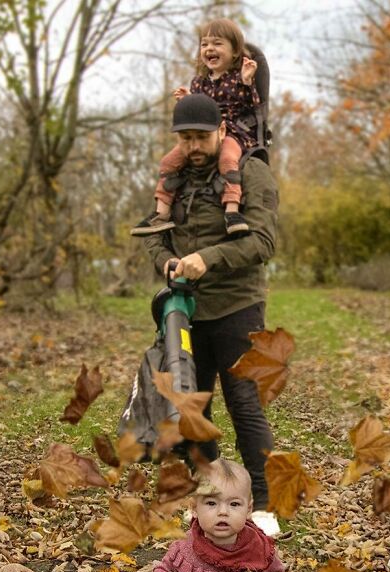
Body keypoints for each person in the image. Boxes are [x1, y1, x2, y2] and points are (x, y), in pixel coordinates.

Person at [139, 92, 281, 536]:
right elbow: (154, 236)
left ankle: (261, 504)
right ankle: (213, 492)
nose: (194, 147)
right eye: (186, 139)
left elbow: (263, 242)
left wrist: (209, 258)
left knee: (245, 405)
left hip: (238, 305)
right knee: (189, 407)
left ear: (221, 131)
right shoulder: (174, 177)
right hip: (186, 311)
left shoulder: (251, 173)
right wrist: (164, 262)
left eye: (202, 137)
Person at [132, 18, 260, 237]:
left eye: (217, 43)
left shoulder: (239, 78)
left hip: (233, 132)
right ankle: (161, 213)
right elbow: (201, 110)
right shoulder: (199, 82)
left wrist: (247, 82)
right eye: (204, 44)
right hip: (205, 132)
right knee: (168, 162)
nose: (210, 48)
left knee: (227, 159)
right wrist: (189, 100)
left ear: (235, 51)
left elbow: (252, 106)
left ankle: (232, 210)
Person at [150, 459, 285, 572]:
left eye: (234, 504)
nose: (223, 512)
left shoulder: (258, 547)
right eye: (211, 503)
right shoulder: (184, 547)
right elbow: (161, 570)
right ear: (194, 508)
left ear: (248, 509)